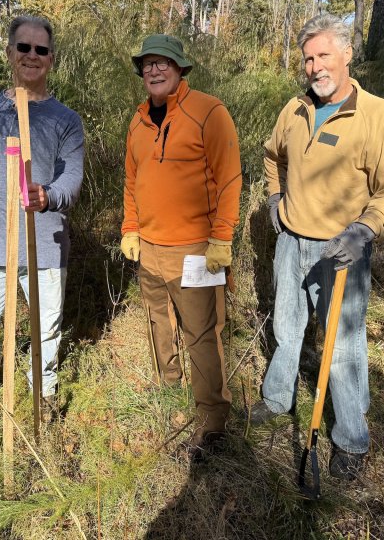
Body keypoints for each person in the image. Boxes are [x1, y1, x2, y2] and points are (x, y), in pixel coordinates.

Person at [250, 14, 384, 480]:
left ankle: (351, 440)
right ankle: (278, 399)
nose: (315, 67)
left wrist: (363, 232)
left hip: (342, 252)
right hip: (291, 242)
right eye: (308, 58)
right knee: (286, 325)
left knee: (343, 347)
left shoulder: (377, 114)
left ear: (346, 55)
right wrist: (275, 201)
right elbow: (270, 156)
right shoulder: (294, 110)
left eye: (323, 55)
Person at [120, 34, 242, 462]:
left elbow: (229, 179)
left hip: (196, 250)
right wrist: (130, 228)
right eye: (148, 64)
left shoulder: (209, 111)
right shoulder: (137, 122)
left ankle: (212, 420)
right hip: (149, 249)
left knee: (203, 335)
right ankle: (169, 389)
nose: (154, 70)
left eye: (163, 63)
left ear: (180, 68)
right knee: (158, 325)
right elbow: (132, 182)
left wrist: (221, 239)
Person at [0, 15, 85, 409]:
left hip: (42, 246)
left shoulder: (66, 120)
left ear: (51, 58)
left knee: (46, 332)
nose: (32, 56)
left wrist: (47, 195)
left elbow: (73, 178)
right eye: (23, 47)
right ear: (10, 53)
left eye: (40, 49)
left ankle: (41, 398)